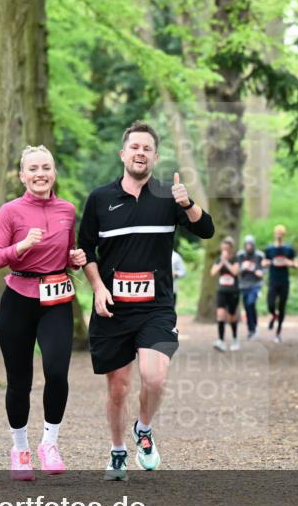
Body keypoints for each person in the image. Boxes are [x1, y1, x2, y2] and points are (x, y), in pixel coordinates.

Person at [78, 122, 214, 480]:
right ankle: (118, 451)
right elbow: (84, 249)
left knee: (155, 379)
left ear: (155, 156)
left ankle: (144, 429)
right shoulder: (99, 199)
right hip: (113, 308)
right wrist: (97, 287)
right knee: (118, 388)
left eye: (147, 148)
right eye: (134, 147)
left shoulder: (169, 197)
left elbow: (206, 230)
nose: (140, 153)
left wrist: (188, 204)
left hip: (156, 307)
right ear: (123, 154)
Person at [0, 145, 87, 481]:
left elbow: (69, 250)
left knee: (57, 372)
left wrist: (74, 258)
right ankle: (19, 450)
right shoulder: (10, 211)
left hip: (56, 301)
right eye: (33, 169)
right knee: (20, 382)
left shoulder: (67, 210)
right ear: (22, 175)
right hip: (17, 299)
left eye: (46, 167)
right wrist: (23, 246)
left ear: (53, 173)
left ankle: (50, 443)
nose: (40, 174)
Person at [264, 225, 298, 343]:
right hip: (273, 281)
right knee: (270, 304)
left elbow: (296, 264)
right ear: (274, 234)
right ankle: (273, 315)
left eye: (281, 233)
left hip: (284, 281)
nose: (278, 234)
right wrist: (268, 262)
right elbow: (264, 262)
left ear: (284, 234)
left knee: (282, 307)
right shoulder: (269, 249)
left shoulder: (289, 249)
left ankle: (278, 332)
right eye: (277, 232)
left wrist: (290, 263)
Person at [211, 237, 242, 352]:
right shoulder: (218, 259)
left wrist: (226, 262)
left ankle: (234, 339)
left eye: (227, 248)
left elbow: (235, 271)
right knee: (220, 314)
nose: (225, 250)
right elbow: (213, 272)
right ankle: (221, 340)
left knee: (232, 317)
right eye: (223, 248)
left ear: (231, 249)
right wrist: (221, 262)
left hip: (233, 292)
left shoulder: (236, 259)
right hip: (221, 291)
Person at [238, 234, 266, 339]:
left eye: (250, 244)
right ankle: (251, 328)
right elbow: (236, 270)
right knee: (247, 307)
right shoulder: (240, 255)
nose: (248, 246)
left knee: (251, 303)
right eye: (247, 244)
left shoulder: (259, 256)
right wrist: (242, 267)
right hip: (244, 285)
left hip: (256, 284)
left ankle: (254, 327)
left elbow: (265, 267)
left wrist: (261, 272)